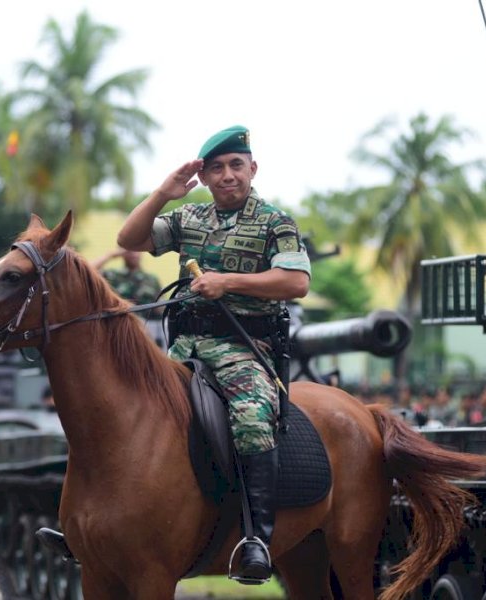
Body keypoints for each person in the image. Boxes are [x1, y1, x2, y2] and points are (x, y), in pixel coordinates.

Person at [117, 125, 311, 584]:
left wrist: (228, 282)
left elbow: (296, 282)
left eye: (236, 165)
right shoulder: (188, 217)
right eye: (217, 168)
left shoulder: (275, 222)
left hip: (243, 349)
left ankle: (256, 539)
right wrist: (161, 194)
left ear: (252, 169)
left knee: (251, 418)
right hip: (181, 348)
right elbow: (129, 239)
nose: (228, 175)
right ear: (204, 177)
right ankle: (102, 526)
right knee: (119, 408)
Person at [91, 247, 163, 308]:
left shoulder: (152, 280)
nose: (133, 254)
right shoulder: (112, 275)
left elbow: (160, 307)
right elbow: (89, 272)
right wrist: (110, 255)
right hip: (120, 319)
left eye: (137, 250)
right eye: (129, 251)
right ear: (122, 252)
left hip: (146, 320)